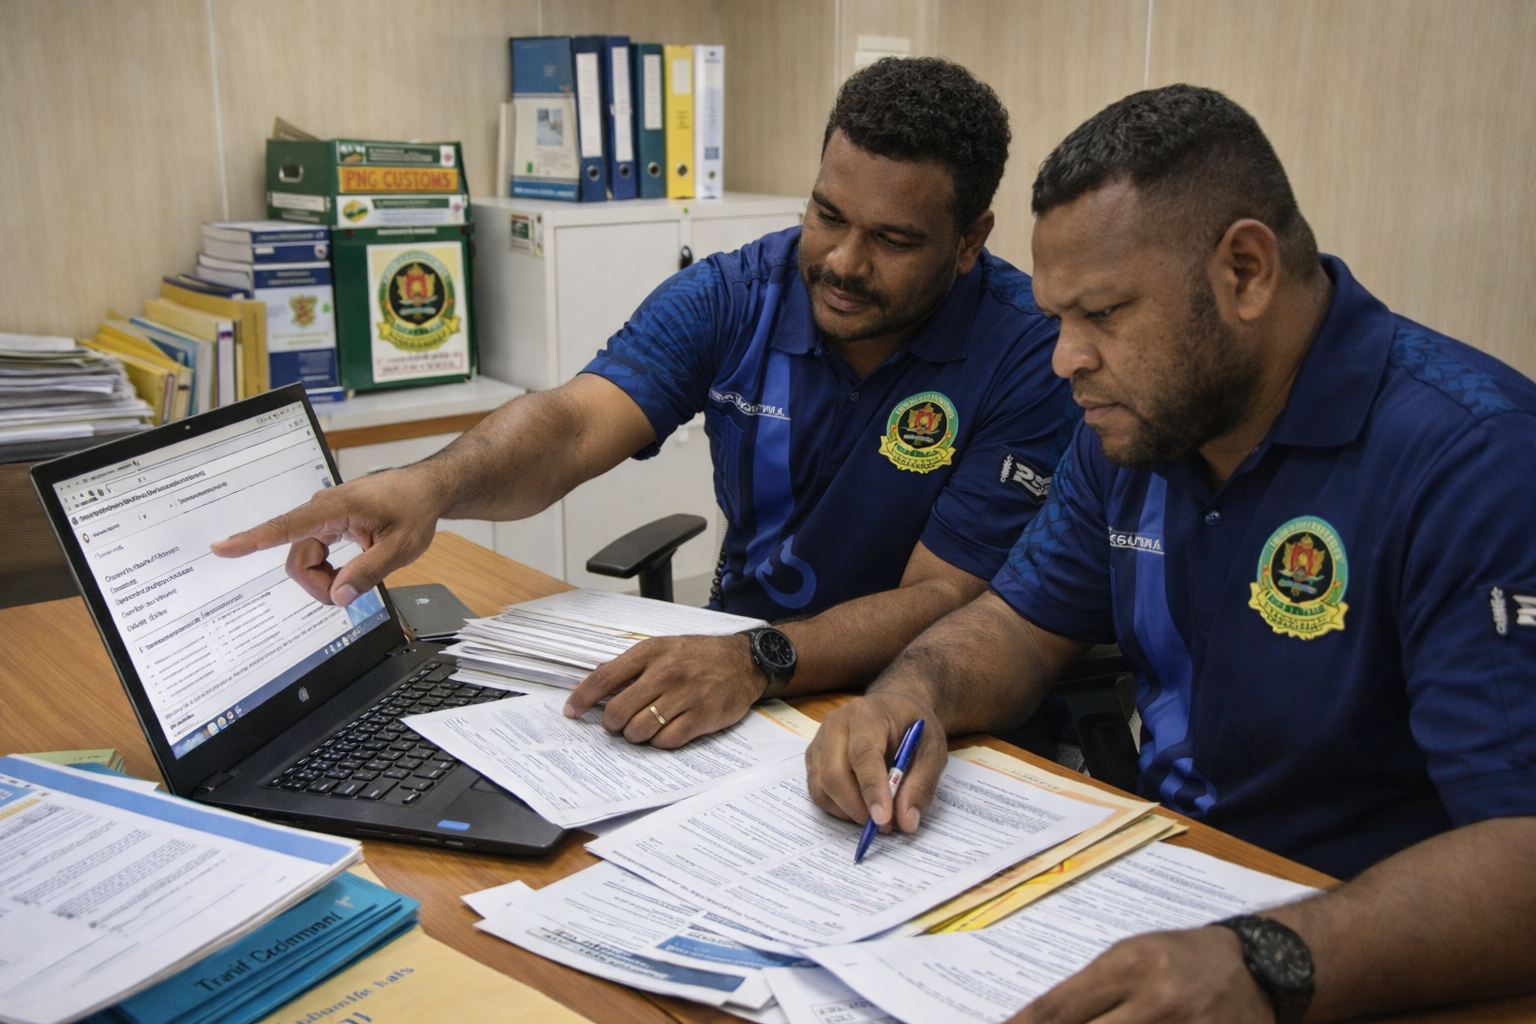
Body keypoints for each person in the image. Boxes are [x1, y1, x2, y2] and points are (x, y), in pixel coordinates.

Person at [806, 84, 1536, 1022]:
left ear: (1245, 272)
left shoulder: (1478, 462)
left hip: (1359, 959)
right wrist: (909, 696)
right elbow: (1018, 627)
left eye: (1104, 314)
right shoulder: (1137, 421)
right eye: (1057, 318)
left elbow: (1521, 847)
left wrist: (1264, 958)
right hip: (1167, 896)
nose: (1066, 358)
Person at [214, 57, 1072, 750]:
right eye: (827, 214)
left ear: (969, 241)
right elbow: (573, 424)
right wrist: (433, 485)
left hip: (916, 706)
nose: (844, 261)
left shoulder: (1032, 354)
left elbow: (943, 597)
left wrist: (758, 657)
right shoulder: (738, 293)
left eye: (892, 239)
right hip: (733, 678)